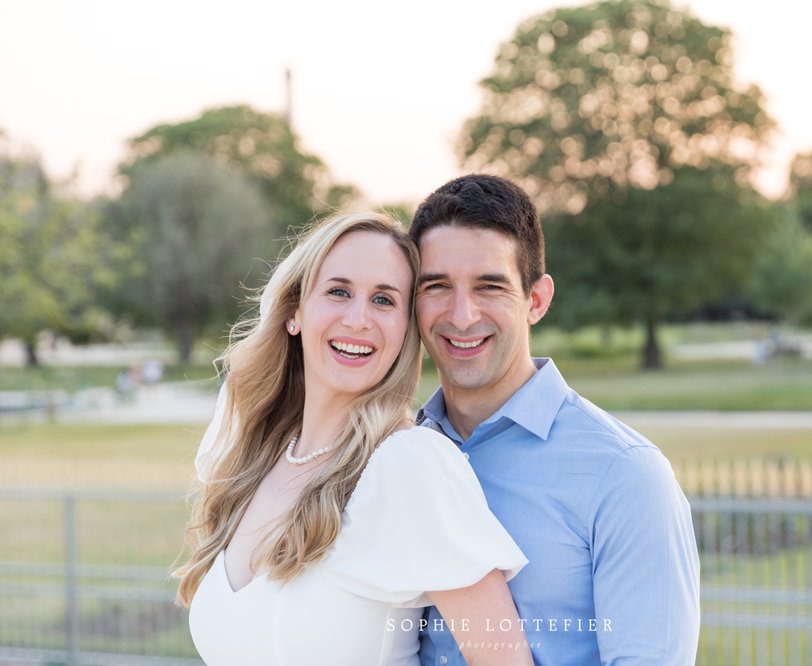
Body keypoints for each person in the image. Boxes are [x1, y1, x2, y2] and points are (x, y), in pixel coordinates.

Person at [176, 212, 534, 666]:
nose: (359, 319)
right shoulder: (252, 456)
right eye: (339, 291)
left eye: (384, 301)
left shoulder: (409, 465)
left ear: (405, 330)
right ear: (294, 313)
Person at [409, 174, 701, 665]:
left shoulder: (625, 475)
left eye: (490, 287)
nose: (461, 315)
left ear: (536, 301)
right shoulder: (400, 454)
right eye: (437, 286)